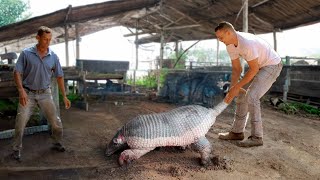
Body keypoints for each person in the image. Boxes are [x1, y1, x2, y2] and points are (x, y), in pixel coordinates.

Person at [214, 21, 282, 147]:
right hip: (258, 65)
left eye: (221, 37)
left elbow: (254, 69)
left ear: (228, 33)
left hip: (271, 65)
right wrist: (232, 89)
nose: (220, 40)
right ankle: (237, 133)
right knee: (241, 96)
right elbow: (236, 69)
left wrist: (237, 87)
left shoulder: (246, 43)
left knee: (252, 96)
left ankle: (257, 137)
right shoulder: (230, 45)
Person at [12, 26, 71, 160]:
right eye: (45, 39)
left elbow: (59, 76)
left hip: (45, 93)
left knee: (55, 121)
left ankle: (56, 142)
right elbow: (17, 72)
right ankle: (16, 149)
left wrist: (64, 96)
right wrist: (21, 91)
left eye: (49, 40)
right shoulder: (26, 53)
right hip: (28, 93)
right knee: (20, 122)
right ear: (37, 38)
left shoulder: (53, 56)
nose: (48, 42)